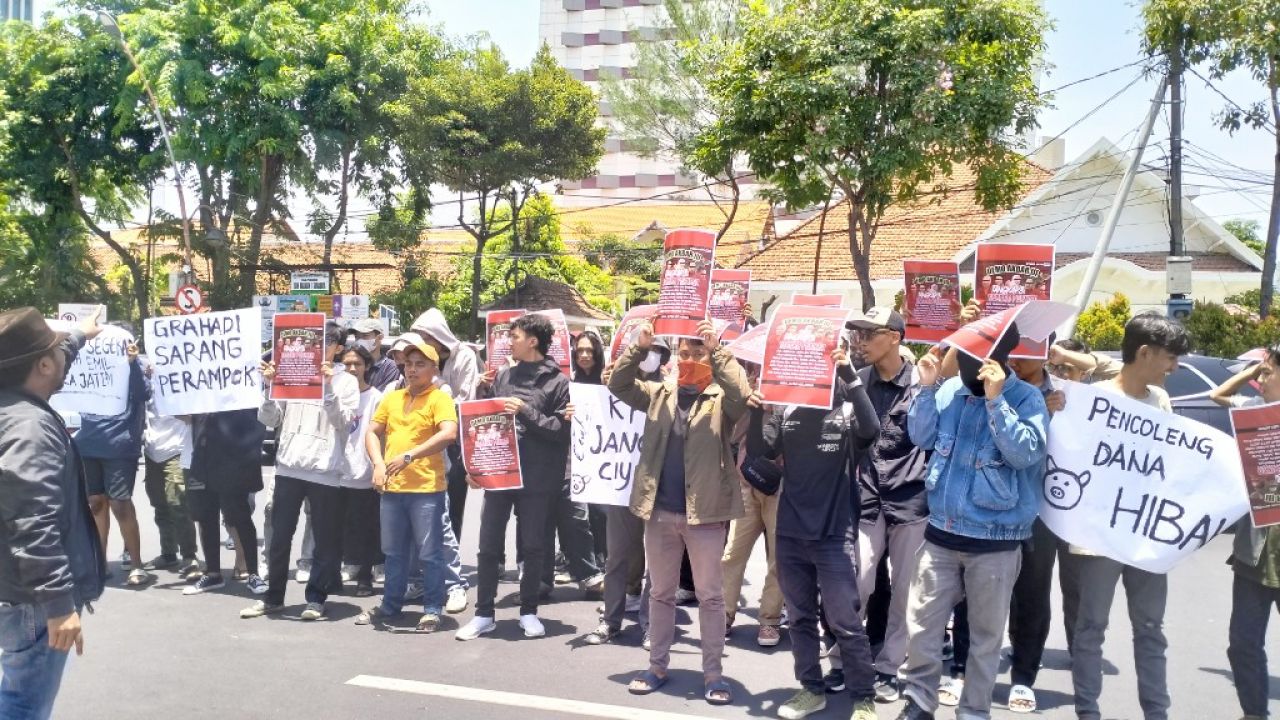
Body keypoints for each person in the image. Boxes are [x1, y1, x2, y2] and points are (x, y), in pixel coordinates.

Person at [896, 323, 1049, 720]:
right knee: (923, 628)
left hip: (995, 540)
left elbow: (1026, 455)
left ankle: (974, 711)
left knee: (985, 637)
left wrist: (997, 402)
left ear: (1000, 359)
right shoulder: (950, 391)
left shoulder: (1027, 399)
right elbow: (921, 437)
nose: (969, 366)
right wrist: (927, 389)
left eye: (977, 358)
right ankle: (920, 702)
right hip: (941, 533)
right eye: (963, 356)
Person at [608, 320, 747, 706]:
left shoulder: (722, 398)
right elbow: (618, 385)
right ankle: (656, 666)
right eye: (683, 354)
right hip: (660, 512)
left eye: (697, 354)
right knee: (661, 593)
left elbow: (743, 392)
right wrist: (639, 349)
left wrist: (717, 352)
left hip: (705, 514)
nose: (689, 360)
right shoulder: (658, 393)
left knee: (710, 596)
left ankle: (713, 674)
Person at [746, 343, 881, 720]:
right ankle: (810, 688)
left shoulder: (847, 407)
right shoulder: (787, 407)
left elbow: (871, 430)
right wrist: (757, 411)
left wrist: (849, 375)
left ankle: (863, 697)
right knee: (800, 617)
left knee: (845, 621)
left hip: (834, 534)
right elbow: (760, 449)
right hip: (790, 531)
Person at [1070, 313, 1189, 720]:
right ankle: (1088, 712)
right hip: (1101, 535)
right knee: (1091, 628)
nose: (1174, 367)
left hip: (1146, 535)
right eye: (1170, 358)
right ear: (1144, 353)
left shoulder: (1161, 401)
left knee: (1151, 630)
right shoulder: (1094, 398)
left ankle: (1157, 713)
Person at [0, 308, 107, 720]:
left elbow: (59, 353)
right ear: (43, 365)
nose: (62, 353)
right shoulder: (30, 427)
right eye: (53, 349)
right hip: (30, 600)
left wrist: (80, 335)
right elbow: (32, 521)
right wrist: (59, 606)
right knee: (24, 705)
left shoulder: (13, 405)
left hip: (14, 586)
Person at [456, 313, 571, 641]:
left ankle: (529, 611)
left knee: (533, 546)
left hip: (538, 479)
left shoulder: (558, 382)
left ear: (533, 341)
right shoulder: (502, 376)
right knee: (488, 546)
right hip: (500, 476)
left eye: (515, 336)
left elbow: (559, 432)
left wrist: (525, 410)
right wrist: (475, 468)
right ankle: (483, 614)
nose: (509, 341)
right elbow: (486, 426)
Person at [242, 325, 359, 621]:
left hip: (324, 471)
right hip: (288, 468)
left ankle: (316, 598)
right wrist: (269, 387)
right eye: (317, 340)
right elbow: (270, 418)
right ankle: (273, 598)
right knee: (279, 536)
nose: (320, 346)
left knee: (323, 539)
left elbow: (344, 423)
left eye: (328, 341)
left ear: (338, 348)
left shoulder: (346, 381)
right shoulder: (290, 374)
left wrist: (327, 386)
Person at [847, 308, 929, 705]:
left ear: (894, 337)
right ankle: (846, 655)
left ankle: (889, 666)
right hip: (865, 494)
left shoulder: (922, 382)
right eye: (857, 333)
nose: (860, 341)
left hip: (910, 497)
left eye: (869, 333)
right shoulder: (856, 381)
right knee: (858, 578)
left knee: (905, 590)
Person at [356, 335, 457, 632]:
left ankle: (433, 608)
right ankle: (391, 605)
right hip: (392, 489)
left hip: (426, 488)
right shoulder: (393, 398)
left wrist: (410, 455)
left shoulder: (439, 398)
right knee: (393, 552)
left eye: (420, 365)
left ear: (434, 370)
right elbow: (372, 432)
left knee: (429, 553)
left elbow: (449, 433)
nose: (412, 370)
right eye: (408, 364)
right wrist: (378, 464)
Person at [1209, 345, 1280, 720]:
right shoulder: (1253, 414)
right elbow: (1218, 396)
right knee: (1243, 644)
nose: (1260, 381)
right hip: (1254, 554)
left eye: (1268, 374)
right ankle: (1254, 713)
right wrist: (1254, 367)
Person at [584, 338, 670, 648]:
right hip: (619, 485)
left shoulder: (668, 390)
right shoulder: (615, 384)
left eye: (655, 351)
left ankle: (651, 625)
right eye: (644, 350)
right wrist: (579, 410)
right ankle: (611, 621)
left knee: (657, 563)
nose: (649, 356)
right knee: (617, 556)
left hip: (656, 487)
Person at [1000, 336, 1068, 714]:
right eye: (1014, 347)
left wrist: (1054, 412)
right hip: (992, 507)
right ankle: (966, 667)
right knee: (984, 590)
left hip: (1042, 511)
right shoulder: (993, 386)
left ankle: (1024, 675)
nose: (1018, 358)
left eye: (1029, 348)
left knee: (1032, 593)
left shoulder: (1067, 395)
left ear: (1046, 350)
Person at [411, 309, 481, 615]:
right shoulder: (425, 362)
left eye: (427, 337)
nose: (424, 343)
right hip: (428, 440)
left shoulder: (463, 356)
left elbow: (465, 399)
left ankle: (451, 580)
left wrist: (439, 393)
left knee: (450, 512)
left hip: (454, 441)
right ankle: (427, 574)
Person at [75, 334, 150, 586]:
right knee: (95, 503)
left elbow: (143, 395)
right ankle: (100, 563)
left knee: (119, 503)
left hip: (119, 445)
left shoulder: (134, 365)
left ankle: (137, 564)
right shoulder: (85, 362)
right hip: (87, 442)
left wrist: (132, 363)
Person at [720, 357, 785, 648]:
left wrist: (777, 406)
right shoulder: (748, 391)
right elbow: (732, 435)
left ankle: (769, 620)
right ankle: (722, 614)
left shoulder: (795, 395)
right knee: (733, 553)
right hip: (748, 483)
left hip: (781, 487)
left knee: (778, 560)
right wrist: (750, 407)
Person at [183, 407, 267, 597]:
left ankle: (253, 574)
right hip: (201, 455)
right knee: (205, 516)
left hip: (233, 456)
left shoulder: (237, 388)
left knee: (239, 515)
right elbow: (184, 413)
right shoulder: (200, 392)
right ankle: (213, 573)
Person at [338, 344, 384, 597]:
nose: (352, 369)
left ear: (367, 366)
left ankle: (365, 577)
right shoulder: (333, 393)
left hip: (365, 473)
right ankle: (334, 575)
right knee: (335, 528)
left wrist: (379, 466)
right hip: (336, 473)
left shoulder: (376, 398)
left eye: (357, 364)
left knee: (367, 528)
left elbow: (380, 435)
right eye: (346, 364)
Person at [140, 387, 199, 578]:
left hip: (176, 449)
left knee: (178, 502)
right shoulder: (146, 381)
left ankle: (189, 556)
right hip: (152, 450)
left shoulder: (180, 379)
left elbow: (194, 416)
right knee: (159, 503)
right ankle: (168, 553)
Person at [572, 331, 609, 569]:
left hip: (604, 453)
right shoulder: (571, 382)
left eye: (589, 351)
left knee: (600, 512)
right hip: (578, 454)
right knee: (577, 513)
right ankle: (580, 560)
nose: (584, 355)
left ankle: (604, 557)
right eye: (580, 351)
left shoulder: (607, 381)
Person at [351, 318, 402, 391]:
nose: (359, 340)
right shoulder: (350, 365)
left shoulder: (391, 368)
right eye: (357, 337)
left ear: (380, 338)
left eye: (365, 335)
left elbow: (382, 398)